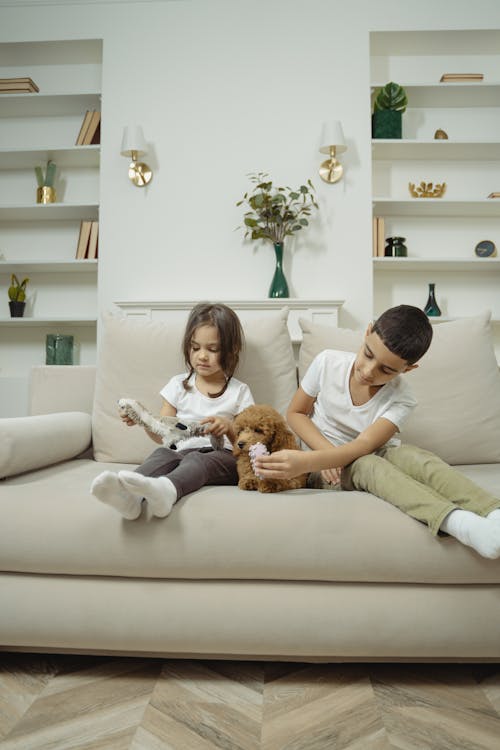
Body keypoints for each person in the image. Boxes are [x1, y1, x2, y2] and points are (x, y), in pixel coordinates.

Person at [254, 304, 500, 559]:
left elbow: (364, 445)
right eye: (368, 354)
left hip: (367, 451)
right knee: (369, 466)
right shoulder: (328, 361)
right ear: (367, 332)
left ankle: (494, 513)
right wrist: (320, 457)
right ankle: (460, 524)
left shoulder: (402, 398)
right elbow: (296, 413)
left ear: (408, 369)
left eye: (387, 370)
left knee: (417, 458)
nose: (369, 371)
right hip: (328, 466)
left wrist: (319, 458)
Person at [91, 302, 254, 519]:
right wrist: (143, 420)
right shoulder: (178, 386)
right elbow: (163, 435)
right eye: (195, 348)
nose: (202, 356)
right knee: (162, 455)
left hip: (222, 457)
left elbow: (249, 445)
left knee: (197, 460)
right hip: (182, 451)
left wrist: (229, 429)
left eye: (212, 349)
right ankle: (128, 496)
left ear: (232, 350)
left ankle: (167, 490)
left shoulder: (239, 391)